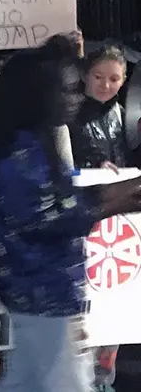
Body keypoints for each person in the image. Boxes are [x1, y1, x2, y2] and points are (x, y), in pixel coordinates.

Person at [0, 37, 141, 392]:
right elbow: (47, 218)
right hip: (42, 295)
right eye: (69, 90)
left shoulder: (36, 145)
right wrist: (114, 203)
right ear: (42, 95)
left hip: (46, 296)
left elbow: (63, 201)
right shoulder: (22, 154)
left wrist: (122, 192)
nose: (78, 98)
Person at [68, 46, 130, 391]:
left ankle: (105, 380)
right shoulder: (69, 111)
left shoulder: (124, 115)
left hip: (117, 228)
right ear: (85, 75)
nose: (106, 84)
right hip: (81, 222)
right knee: (84, 317)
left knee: (114, 309)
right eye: (99, 76)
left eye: (114, 78)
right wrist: (93, 168)